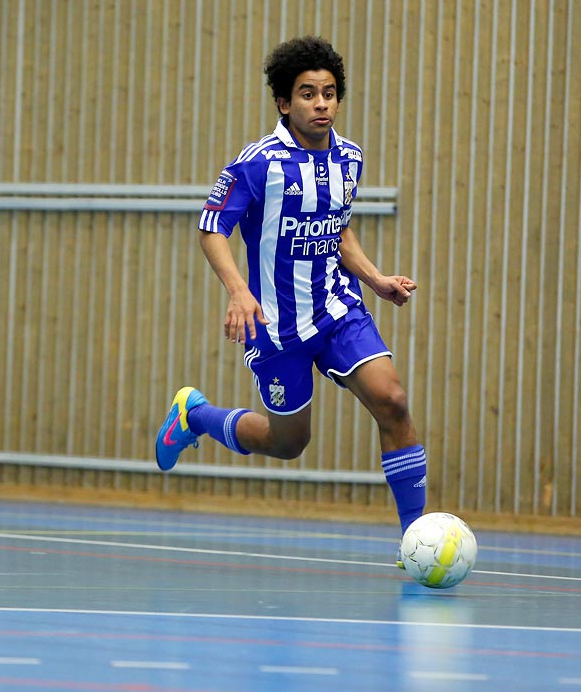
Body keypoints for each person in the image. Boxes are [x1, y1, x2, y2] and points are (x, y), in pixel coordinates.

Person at [156, 35, 427, 563]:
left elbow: (337, 230)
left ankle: (414, 541)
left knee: (392, 401)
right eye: (307, 94)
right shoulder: (256, 164)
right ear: (284, 102)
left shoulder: (350, 158)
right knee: (288, 443)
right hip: (276, 326)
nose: (321, 103)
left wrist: (375, 280)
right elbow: (212, 229)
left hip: (336, 309)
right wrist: (238, 291)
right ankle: (196, 415)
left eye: (329, 93)